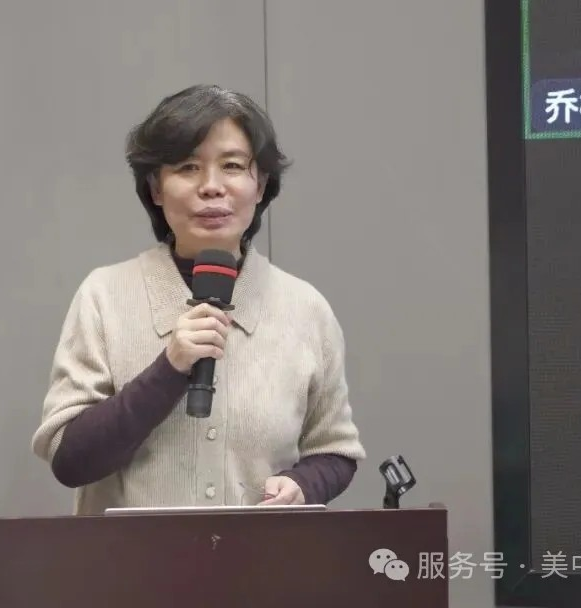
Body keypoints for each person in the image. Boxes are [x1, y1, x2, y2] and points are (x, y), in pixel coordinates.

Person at [31, 84, 365, 515]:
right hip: (130, 560)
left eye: (232, 166)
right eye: (188, 167)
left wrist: (304, 485)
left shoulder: (306, 309)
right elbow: (70, 460)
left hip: (259, 555)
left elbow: (335, 450)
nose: (211, 187)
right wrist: (169, 368)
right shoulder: (104, 296)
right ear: (156, 188)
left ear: (261, 185)